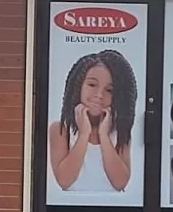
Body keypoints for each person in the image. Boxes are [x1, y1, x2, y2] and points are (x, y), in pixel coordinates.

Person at [48, 49, 136, 192]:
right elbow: (64, 181)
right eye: (92, 85)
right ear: (78, 86)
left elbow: (120, 183)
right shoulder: (60, 129)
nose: (99, 95)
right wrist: (83, 134)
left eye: (109, 90)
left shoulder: (119, 131)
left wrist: (104, 136)